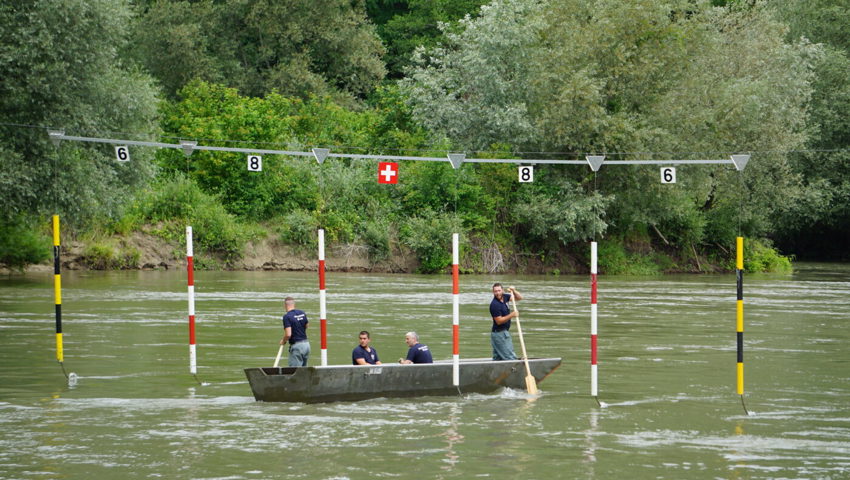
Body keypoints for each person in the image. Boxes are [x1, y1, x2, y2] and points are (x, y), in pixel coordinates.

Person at [489, 283, 523, 361]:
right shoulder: (494, 305)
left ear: (502, 290)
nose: (497, 293)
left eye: (499, 290)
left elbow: (519, 298)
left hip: (502, 333)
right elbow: (499, 321)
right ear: (493, 292)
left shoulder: (505, 297)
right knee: (510, 358)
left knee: (498, 359)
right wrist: (512, 315)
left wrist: (514, 291)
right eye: (495, 291)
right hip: (499, 334)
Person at [280, 296, 310, 367]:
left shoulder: (287, 317)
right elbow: (307, 325)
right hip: (306, 345)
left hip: (297, 347)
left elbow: (288, 334)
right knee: (304, 371)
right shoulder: (302, 313)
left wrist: (283, 341)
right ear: (294, 304)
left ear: (285, 305)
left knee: (294, 371)